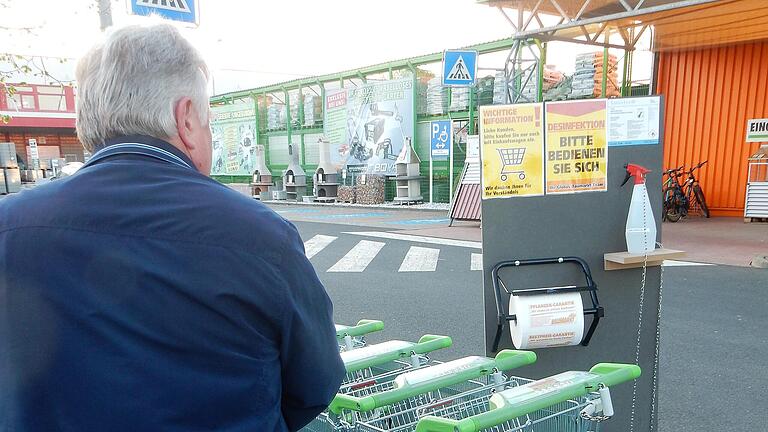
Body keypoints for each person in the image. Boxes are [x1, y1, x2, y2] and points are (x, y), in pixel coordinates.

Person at [0, 24, 344, 431]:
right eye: (207, 122)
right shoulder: (262, 237)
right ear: (185, 119)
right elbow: (316, 383)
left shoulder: (10, 227)